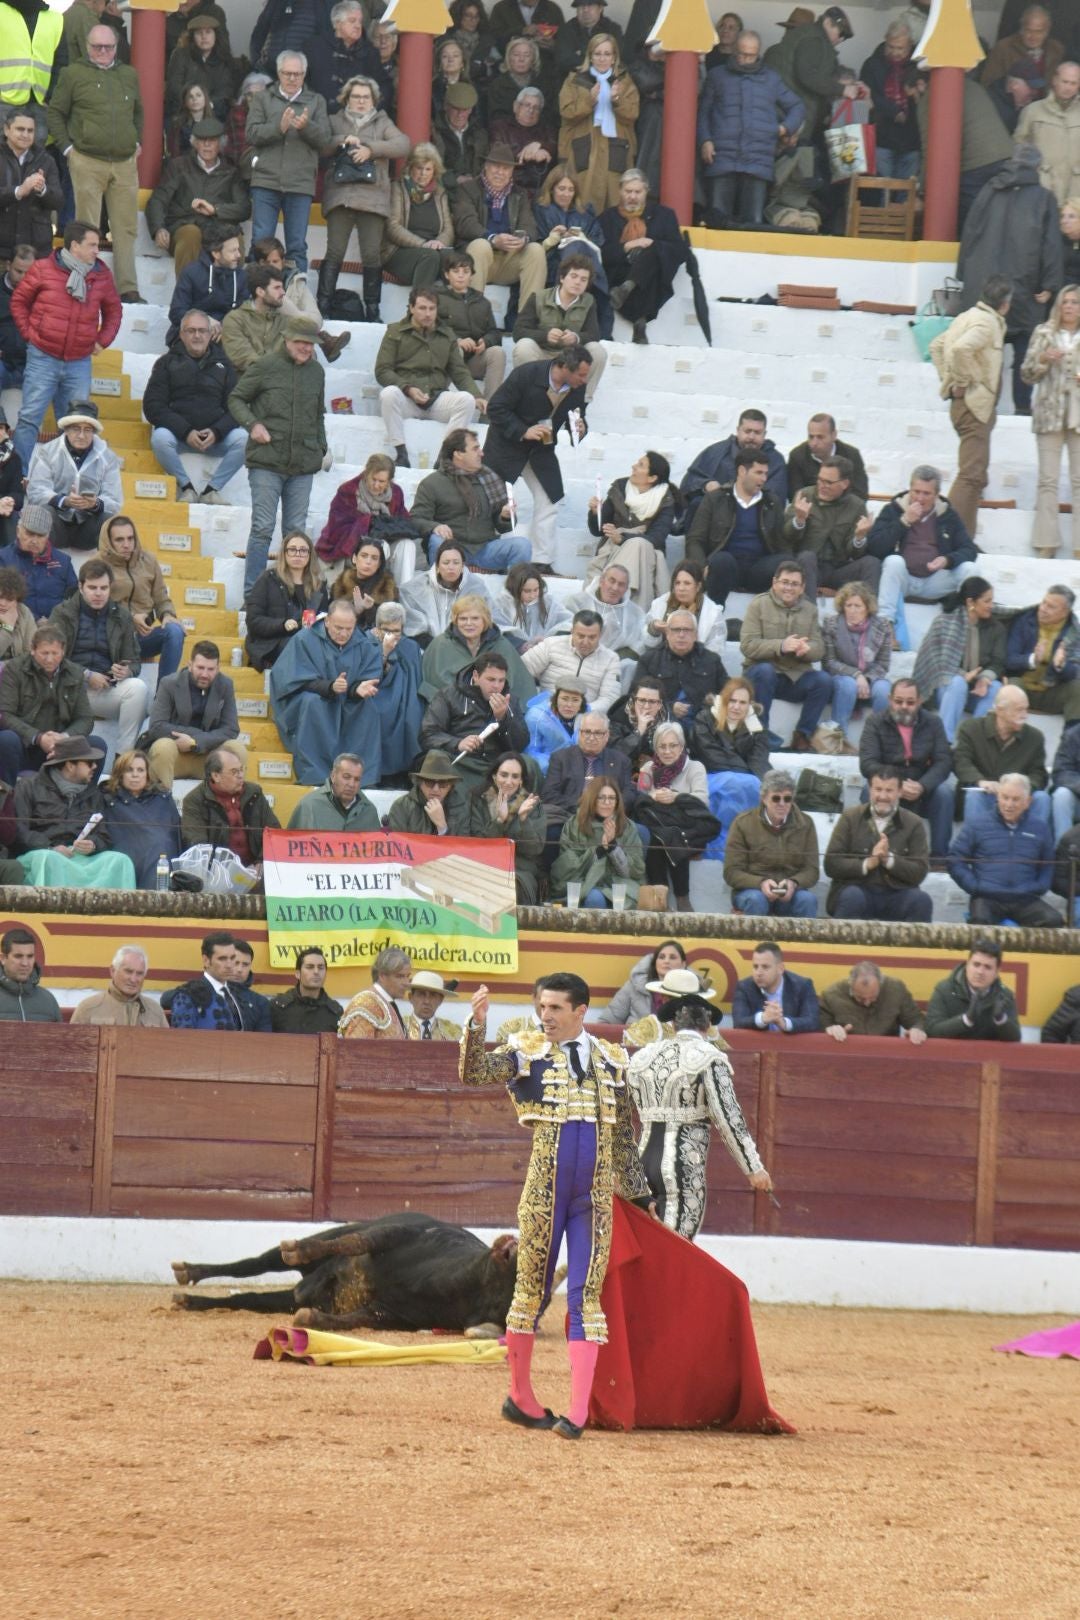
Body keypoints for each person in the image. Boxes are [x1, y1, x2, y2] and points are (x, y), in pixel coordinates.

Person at [461, 970, 652, 1438]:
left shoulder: (611, 1058)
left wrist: (638, 1193)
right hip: (545, 1190)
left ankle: (579, 1411)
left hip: (593, 1198)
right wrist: (476, 1026)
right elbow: (473, 1073)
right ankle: (521, 1398)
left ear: (580, 1012)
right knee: (529, 1291)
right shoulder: (526, 1050)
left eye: (555, 1008)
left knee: (586, 1296)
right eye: (540, 1007)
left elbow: (622, 1134)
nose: (544, 1016)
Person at [629, 971, 771, 1238]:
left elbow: (621, 1114)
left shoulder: (643, 1056)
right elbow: (729, 1118)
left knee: (645, 1247)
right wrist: (753, 1168)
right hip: (683, 1166)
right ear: (707, 1026)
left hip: (641, 1161)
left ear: (672, 1022)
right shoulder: (709, 1057)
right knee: (677, 1252)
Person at [955, 145, 1063, 414]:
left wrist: (963, 276)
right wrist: (1050, 285)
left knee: (986, 349)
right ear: (1037, 168)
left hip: (984, 286)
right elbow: (1051, 244)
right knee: (1024, 347)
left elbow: (970, 233)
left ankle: (983, 406)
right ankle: (1022, 408)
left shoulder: (989, 190)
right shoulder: (1044, 198)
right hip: (1023, 286)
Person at [9, 222, 121, 475]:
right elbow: (18, 302)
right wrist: (30, 334)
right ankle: (19, 477)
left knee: (75, 425)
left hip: (79, 361)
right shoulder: (42, 269)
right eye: (92, 245)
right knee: (28, 420)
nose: (97, 250)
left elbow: (114, 310)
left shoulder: (102, 275)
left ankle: (65, 479)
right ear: (74, 246)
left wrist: (103, 340)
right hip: (42, 356)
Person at [230, 316, 327, 596]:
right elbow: (236, 399)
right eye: (300, 342)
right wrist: (253, 425)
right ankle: (252, 596)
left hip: (304, 464)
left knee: (296, 532)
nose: (306, 348)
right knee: (262, 527)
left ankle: (293, 594)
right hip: (266, 462)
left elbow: (318, 414)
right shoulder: (264, 366)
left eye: (310, 344)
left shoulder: (317, 372)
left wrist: (321, 447)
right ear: (286, 339)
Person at [48, 26, 144, 304]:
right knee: (86, 227)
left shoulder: (128, 74)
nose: (103, 52)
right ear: (87, 46)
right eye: (97, 47)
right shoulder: (73, 74)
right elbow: (55, 112)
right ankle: (84, 284)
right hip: (87, 159)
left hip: (125, 162)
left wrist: (136, 141)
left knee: (126, 228)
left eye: (109, 47)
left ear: (117, 47)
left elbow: (138, 111)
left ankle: (128, 288)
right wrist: (68, 149)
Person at [319, 74, 408, 323]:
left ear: (374, 100)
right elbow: (320, 145)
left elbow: (403, 144)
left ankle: (373, 310)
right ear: (347, 98)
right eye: (355, 97)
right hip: (341, 195)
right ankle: (322, 306)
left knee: (371, 255)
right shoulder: (334, 120)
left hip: (373, 199)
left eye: (365, 97)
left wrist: (371, 149)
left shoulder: (383, 122)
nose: (360, 101)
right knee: (334, 251)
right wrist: (342, 141)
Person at [928, 274, 1012, 538]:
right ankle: (946, 535)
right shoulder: (987, 324)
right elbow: (960, 350)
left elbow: (937, 345)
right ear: (1005, 304)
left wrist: (949, 381)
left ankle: (964, 539)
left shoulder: (967, 316)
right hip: (974, 407)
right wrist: (966, 380)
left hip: (966, 405)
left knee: (975, 478)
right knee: (971, 475)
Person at [269, 598, 384, 786]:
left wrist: (357, 689)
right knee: (312, 703)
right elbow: (291, 679)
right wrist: (329, 687)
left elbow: (366, 676)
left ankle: (359, 777)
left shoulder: (364, 643)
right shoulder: (304, 639)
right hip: (312, 697)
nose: (344, 634)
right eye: (338, 628)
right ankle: (316, 774)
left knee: (368, 708)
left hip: (347, 701)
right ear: (327, 621)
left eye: (349, 629)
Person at [698, 29, 804, 227]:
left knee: (752, 226)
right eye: (742, 54)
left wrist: (784, 129)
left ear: (758, 53)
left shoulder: (772, 79)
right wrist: (705, 140)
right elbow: (703, 113)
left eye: (751, 55)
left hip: (758, 160)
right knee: (717, 222)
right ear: (734, 51)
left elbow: (797, 106)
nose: (746, 59)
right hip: (722, 158)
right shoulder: (717, 76)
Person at [47, 556, 148, 761]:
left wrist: (126, 670)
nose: (98, 593)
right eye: (92, 587)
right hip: (66, 688)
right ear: (81, 586)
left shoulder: (122, 616)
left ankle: (123, 759)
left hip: (104, 689)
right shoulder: (62, 613)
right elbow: (50, 658)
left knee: (138, 688)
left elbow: (134, 660)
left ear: (110, 588)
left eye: (103, 588)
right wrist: (85, 674)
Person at [143, 310, 247, 508]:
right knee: (160, 438)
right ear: (181, 334)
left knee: (243, 440)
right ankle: (187, 487)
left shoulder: (225, 365)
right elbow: (153, 406)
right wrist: (185, 431)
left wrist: (216, 432)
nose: (197, 336)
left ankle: (211, 490)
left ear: (210, 334)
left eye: (202, 331)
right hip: (178, 436)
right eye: (191, 331)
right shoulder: (166, 363)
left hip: (215, 439)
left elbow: (236, 406)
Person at [244, 50, 332, 275]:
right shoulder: (263, 98)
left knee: (296, 246)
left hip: (300, 183)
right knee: (260, 242)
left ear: (304, 75)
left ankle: (297, 297)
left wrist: (306, 127)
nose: (292, 79)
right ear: (278, 73)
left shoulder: (316, 101)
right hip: (265, 180)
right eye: (287, 73)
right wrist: (278, 128)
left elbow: (325, 140)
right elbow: (251, 134)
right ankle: (257, 294)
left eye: (298, 74)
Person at [868, 465, 980, 641]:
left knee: (970, 569)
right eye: (916, 491)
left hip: (934, 580)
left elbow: (969, 549)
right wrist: (904, 521)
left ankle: (964, 627)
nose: (920, 498)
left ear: (936, 495)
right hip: (903, 580)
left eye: (926, 494)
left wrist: (947, 560)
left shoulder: (948, 515)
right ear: (910, 489)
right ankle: (885, 626)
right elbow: (874, 547)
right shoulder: (893, 510)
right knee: (893, 561)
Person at [375, 286, 480, 469]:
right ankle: (401, 454)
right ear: (411, 308)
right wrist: (407, 388)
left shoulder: (446, 335)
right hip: (407, 398)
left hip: (436, 397)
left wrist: (476, 394)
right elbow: (382, 370)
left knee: (467, 400)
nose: (427, 313)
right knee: (388, 394)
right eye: (422, 308)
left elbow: (459, 371)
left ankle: (444, 459)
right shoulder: (395, 332)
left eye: (432, 308)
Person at [14, 736, 135, 889]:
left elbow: (104, 836)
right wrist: (50, 847)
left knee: (121, 861)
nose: (95, 767)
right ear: (70, 766)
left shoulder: (94, 794)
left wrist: (93, 844)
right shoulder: (28, 787)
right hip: (41, 852)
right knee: (49, 859)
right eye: (89, 763)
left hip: (80, 856)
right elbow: (19, 831)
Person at [948, 771, 1061, 926]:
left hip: (1025, 898)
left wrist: (1038, 887)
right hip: (987, 897)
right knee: (980, 924)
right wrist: (975, 886)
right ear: (997, 797)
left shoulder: (1040, 828)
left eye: (1016, 799)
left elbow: (1048, 864)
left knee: (1053, 922)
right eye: (1005, 797)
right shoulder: (977, 824)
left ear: (1027, 802)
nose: (1009, 805)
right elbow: (955, 859)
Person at [0, 624, 108, 786]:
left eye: (54, 653)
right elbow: (6, 715)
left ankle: (84, 803)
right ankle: (6, 799)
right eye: (44, 653)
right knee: (6, 740)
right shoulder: (14, 670)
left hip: (63, 750)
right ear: (33, 650)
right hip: (26, 746)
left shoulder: (74, 673)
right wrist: (38, 737)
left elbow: (85, 719)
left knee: (97, 745)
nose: (49, 659)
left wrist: (64, 738)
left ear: (63, 652)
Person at [739, 560, 831, 751]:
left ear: (802, 587)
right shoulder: (758, 604)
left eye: (794, 584)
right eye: (785, 582)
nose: (789, 587)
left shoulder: (810, 610)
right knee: (764, 672)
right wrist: (781, 646)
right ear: (775, 582)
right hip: (761, 676)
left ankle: (803, 735)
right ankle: (760, 734)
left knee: (823, 681)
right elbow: (748, 646)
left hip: (795, 677)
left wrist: (807, 650)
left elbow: (819, 647)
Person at [859, 677, 954, 857]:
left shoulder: (934, 722)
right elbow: (868, 763)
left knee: (944, 793)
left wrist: (923, 786)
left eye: (910, 702)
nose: (904, 706)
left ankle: (939, 857)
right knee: (868, 791)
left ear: (919, 701)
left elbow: (944, 761)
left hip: (922, 789)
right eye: (898, 701)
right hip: (889, 786)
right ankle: (871, 851)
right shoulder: (875, 722)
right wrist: (898, 786)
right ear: (889, 700)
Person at [824, 767, 932, 921]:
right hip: (857, 890)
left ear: (900, 792)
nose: (882, 796)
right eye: (878, 789)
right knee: (852, 897)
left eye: (889, 791)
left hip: (897, 894)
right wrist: (868, 863)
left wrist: (889, 859)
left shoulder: (914, 823)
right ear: (870, 789)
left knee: (921, 901)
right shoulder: (850, 817)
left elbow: (920, 871)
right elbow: (831, 864)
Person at [1020, 282, 1080, 555]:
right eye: (1065, 302)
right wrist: (1043, 358)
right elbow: (1027, 374)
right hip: (1049, 413)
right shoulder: (1043, 332)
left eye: (1075, 302)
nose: (1069, 306)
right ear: (1058, 306)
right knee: (1048, 480)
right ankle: (1047, 542)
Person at [451, 141, 548, 310]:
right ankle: (472, 315)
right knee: (481, 245)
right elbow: (465, 223)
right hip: (476, 262)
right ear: (486, 167)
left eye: (506, 169)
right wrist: (492, 238)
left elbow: (529, 225)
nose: (500, 172)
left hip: (507, 262)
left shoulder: (519, 194)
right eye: (496, 167)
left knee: (536, 250)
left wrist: (522, 238)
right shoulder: (468, 189)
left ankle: (527, 320)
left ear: (512, 172)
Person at [687, 448, 787, 611]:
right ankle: (714, 615)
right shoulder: (715, 499)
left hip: (758, 568)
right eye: (759, 472)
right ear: (742, 471)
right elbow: (695, 539)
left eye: (765, 473)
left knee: (785, 563)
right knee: (721, 560)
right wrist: (701, 566)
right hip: (727, 566)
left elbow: (782, 543)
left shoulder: (771, 501)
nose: (763, 478)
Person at [911, 575, 1005, 744]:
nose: (991, 606)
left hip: (977, 691)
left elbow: (998, 662)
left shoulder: (996, 628)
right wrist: (963, 675)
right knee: (957, 683)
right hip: (946, 689)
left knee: (996, 687)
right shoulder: (944, 623)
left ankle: (974, 740)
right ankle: (944, 741)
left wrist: (984, 679)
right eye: (987, 601)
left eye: (992, 601)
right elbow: (937, 664)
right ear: (971, 602)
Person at [420, 648, 529, 792]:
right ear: (476, 676)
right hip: (460, 760)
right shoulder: (449, 695)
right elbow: (427, 734)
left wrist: (503, 719)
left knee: (529, 763)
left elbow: (520, 745)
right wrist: (458, 743)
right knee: (436, 758)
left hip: (496, 764)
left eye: (501, 680)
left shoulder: (509, 701)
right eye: (491, 680)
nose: (497, 686)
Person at [596, 168, 683, 345]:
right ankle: (639, 319)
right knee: (644, 259)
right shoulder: (607, 218)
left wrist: (652, 245)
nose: (633, 197)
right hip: (619, 274)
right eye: (628, 191)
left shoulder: (664, 216)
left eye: (638, 192)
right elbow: (601, 253)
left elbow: (680, 250)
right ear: (620, 191)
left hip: (650, 279)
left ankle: (628, 288)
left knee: (653, 250)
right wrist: (628, 246)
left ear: (646, 192)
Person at [558, 32, 639, 214]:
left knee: (615, 205)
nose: (602, 58)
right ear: (590, 56)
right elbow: (566, 112)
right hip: (582, 148)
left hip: (616, 149)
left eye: (607, 54)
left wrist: (617, 99)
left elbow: (633, 114)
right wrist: (590, 100)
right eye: (597, 53)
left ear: (614, 58)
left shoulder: (624, 82)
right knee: (581, 203)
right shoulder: (574, 79)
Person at [25, 399, 120, 554]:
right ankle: (38, 566)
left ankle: (108, 572)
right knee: (42, 512)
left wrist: (94, 504)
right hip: (56, 523)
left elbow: (115, 501)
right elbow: (36, 490)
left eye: (88, 430)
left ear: (94, 432)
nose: (81, 435)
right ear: (66, 430)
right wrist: (64, 500)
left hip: (88, 526)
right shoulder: (47, 451)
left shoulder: (108, 457)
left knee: (111, 522)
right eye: (76, 429)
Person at [144, 640, 241, 791]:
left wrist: (196, 741)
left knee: (236, 749)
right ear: (190, 665)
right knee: (162, 746)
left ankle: (230, 807)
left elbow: (231, 729)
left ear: (218, 669)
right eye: (200, 668)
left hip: (208, 758)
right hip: (174, 756)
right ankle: (161, 801)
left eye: (210, 669)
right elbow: (157, 726)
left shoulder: (225, 685)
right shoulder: (169, 683)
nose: (205, 674)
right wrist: (191, 737)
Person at [636, 720, 712, 912]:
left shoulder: (695, 767)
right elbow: (640, 800)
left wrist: (676, 797)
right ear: (655, 748)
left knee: (672, 835)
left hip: (688, 825)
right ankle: (668, 898)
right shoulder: (647, 769)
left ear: (682, 746)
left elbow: (703, 800)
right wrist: (652, 796)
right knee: (659, 836)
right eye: (662, 746)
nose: (667, 751)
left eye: (673, 745)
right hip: (659, 825)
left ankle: (676, 897)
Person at [724, 768, 820, 917]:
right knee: (756, 900)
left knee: (808, 900)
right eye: (776, 798)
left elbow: (812, 870)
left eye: (787, 799)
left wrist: (793, 883)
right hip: (752, 890)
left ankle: (803, 941)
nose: (782, 804)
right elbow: (731, 872)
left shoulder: (806, 824)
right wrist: (760, 882)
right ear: (764, 799)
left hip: (790, 892)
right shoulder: (743, 823)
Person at [587, 451, 678, 604]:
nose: (633, 466)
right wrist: (596, 513)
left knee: (639, 544)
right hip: (613, 551)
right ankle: (625, 593)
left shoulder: (666, 500)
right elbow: (597, 531)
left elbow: (656, 538)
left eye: (640, 465)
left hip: (646, 557)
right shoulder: (620, 488)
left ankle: (617, 591)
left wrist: (622, 537)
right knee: (636, 544)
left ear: (652, 478)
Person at [783, 456, 878, 602]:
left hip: (837, 569)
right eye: (820, 480)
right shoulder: (804, 495)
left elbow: (855, 553)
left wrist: (859, 537)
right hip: (808, 566)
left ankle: (868, 618)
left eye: (828, 482)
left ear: (844, 484)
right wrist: (799, 520)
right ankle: (808, 615)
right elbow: (786, 535)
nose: (822, 485)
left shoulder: (856, 505)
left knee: (871, 563)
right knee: (806, 557)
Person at [954, 684, 1051, 825]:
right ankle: (975, 844)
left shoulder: (1035, 737)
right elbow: (960, 762)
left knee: (1042, 798)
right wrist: (981, 781)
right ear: (1000, 710)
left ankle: (1032, 845)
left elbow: (1039, 774)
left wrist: (1021, 788)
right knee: (975, 796)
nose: (1025, 715)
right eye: (1019, 710)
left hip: (1017, 798)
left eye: (1026, 709)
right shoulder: (971, 729)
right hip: (983, 793)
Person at [512, 254, 606, 399]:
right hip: (542, 353)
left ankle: (581, 400)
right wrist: (545, 335)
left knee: (597, 350)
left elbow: (594, 335)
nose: (578, 282)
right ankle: (529, 396)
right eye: (573, 276)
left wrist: (576, 338)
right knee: (524, 346)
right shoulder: (538, 297)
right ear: (562, 278)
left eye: (583, 279)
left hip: (571, 358)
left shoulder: (589, 301)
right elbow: (518, 331)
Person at [420, 592, 534, 706]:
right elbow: (432, 688)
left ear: (485, 620)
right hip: (451, 713)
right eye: (463, 619)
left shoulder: (501, 645)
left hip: (495, 711)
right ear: (456, 621)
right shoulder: (440, 645)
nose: (469, 623)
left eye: (475, 618)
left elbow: (519, 687)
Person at [681, 409, 788, 530]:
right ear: (738, 430)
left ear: (764, 434)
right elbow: (690, 481)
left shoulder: (775, 460)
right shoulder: (716, 452)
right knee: (697, 503)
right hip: (715, 517)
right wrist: (706, 484)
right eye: (747, 431)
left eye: (757, 432)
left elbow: (776, 497)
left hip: (755, 519)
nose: (751, 437)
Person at [179, 746, 280, 869]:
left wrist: (262, 862)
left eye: (241, 770)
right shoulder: (195, 801)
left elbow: (274, 831)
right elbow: (197, 846)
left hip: (256, 870)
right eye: (234, 772)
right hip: (217, 873)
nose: (240, 776)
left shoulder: (254, 792)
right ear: (216, 776)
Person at [541, 710, 637, 840]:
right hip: (570, 815)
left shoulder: (621, 761)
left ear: (607, 735)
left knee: (642, 832)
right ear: (579, 733)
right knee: (551, 831)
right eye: (587, 732)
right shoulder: (561, 758)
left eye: (598, 733)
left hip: (608, 817)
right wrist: (585, 807)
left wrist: (608, 808)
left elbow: (629, 793)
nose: (591, 737)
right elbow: (549, 793)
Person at [551, 775, 644, 908]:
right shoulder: (574, 825)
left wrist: (613, 847)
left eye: (612, 798)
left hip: (617, 886)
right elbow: (565, 868)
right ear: (592, 799)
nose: (607, 803)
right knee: (595, 898)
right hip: (583, 884)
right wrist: (598, 852)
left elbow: (633, 871)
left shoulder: (627, 826)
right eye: (601, 797)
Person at [244, 530, 328, 672]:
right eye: (292, 550)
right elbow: (253, 620)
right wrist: (282, 625)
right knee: (297, 646)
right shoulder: (268, 579)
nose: (297, 554)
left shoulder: (318, 586)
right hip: (270, 644)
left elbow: (324, 618)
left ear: (310, 555)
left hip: (307, 642)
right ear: (284, 553)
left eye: (303, 550)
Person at [822, 581, 892, 749]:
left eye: (858, 606)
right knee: (847, 685)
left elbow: (883, 664)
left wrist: (866, 678)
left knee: (884, 690)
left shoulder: (881, 626)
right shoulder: (831, 624)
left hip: (872, 676)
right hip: (841, 676)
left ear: (867, 608)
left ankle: (878, 741)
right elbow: (829, 662)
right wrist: (856, 675)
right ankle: (838, 740)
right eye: (849, 605)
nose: (852, 610)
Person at [469, 750, 545, 901]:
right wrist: (499, 821)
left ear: (521, 780)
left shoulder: (532, 804)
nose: (509, 782)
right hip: (484, 867)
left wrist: (523, 820)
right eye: (504, 775)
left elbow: (535, 849)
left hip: (520, 871)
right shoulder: (478, 800)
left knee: (509, 886)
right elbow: (477, 845)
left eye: (515, 776)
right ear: (494, 776)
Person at [101, 747, 181, 890]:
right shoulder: (107, 799)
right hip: (126, 858)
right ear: (120, 774)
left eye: (140, 770)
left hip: (161, 860)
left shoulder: (163, 798)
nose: (135, 775)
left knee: (161, 845)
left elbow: (176, 834)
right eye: (129, 770)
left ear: (147, 774)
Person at [633, 609, 728, 725]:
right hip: (660, 725)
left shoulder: (712, 660)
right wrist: (668, 708)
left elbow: (729, 693)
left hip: (704, 726)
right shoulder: (649, 660)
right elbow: (635, 699)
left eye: (687, 630)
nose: (681, 635)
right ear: (667, 633)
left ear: (695, 635)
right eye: (676, 630)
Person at [1004, 583, 1080, 724]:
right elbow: (1009, 661)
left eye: (1051, 607)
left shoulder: (1074, 632)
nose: (1043, 609)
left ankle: (1072, 741)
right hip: (1023, 688)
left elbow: (1075, 672)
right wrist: (1033, 659)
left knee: (1077, 689)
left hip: (1051, 692)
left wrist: (1060, 665)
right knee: (1013, 684)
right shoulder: (1024, 621)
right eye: (1044, 602)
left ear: (1065, 612)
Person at [436, 250, 507, 402]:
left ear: (471, 275)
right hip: (445, 359)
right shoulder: (437, 298)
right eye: (456, 271)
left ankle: (489, 410)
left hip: (473, 360)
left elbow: (494, 332)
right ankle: (437, 398)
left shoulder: (482, 301)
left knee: (497, 352)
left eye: (466, 271)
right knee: (457, 350)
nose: (461, 275)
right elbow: (431, 327)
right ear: (447, 275)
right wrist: (456, 340)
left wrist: (486, 341)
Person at [924, 939, 1022, 1040]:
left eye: (987, 967)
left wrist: (1001, 1019)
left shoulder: (1004, 995)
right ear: (967, 965)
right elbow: (931, 1030)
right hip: (951, 1054)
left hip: (989, 1055)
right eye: (976, 965)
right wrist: (966, 1020)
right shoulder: (944, 989)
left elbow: (1015, 1039)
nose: (980, 972)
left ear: (997, 972)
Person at [399, 539, 492, 645]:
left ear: (462, 567)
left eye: (456, 563)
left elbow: (488, 619)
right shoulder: (418, 586)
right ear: (437, 567)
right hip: (426, 645)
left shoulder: (476, 586)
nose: (451, 567)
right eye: (446, 563)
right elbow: (412, 624)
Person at [523, 609, 621, 709]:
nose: (585, 642)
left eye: (592, 637)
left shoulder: (611, 659)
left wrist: (583, 710)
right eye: (581, 636)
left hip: (585, 716)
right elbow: (520, 672)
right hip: (547, 710)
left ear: (600, 635)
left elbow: (609, 699)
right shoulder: (551, 645)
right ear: (572, 631)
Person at [0, 106, 62, 263]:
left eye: (30, 130)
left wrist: (43, 190)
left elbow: (59, 201)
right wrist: (18, 191)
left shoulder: (46, 160)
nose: (26, 135)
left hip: (36, 251)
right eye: (20, 129)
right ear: (6, 130)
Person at [858, 21, 919, 181]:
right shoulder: (872, 64)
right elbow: (866, 95)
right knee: (882, 191)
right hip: (882, 138)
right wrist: (893, 111)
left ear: (910, 46)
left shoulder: (920, 67)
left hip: (912, 139)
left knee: (906, 195)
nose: (895, 52)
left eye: (900, 48)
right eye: (891, 47)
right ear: (885, 41)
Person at [1015, 59, 1080, 204]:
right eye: (1064, 81)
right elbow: (1019, 149)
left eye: (1073, 83)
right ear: (1055, 80)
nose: (1068, 87)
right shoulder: (1033, 111)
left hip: (1076, 192)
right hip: (1042, 186)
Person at [0, 505, 76, 625]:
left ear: (48, 536)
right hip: (16, 627)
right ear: (18, 531)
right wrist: (34, 620)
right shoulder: (3, 559)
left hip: (57, 628)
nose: (34, 541)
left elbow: (74, 599)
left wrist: (55, 620)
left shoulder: (63, 561)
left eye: (40, 535)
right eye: (29, 533)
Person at [306, 0, 385, 113]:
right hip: (319, 117)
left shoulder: (371, 53)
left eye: (360, 21)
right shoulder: (313, 47)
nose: (358, 26)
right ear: (337, 23)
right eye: (352, 21)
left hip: (355, 121)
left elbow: (383, 87)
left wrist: (371, 110)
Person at [819, 961, 927, 1042]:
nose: (867, 1003)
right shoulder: (831, 995)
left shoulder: (896, 989)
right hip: (847, 1052)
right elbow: (820, 1027)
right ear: (850, 985)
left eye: (873, 997)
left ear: (881, 984)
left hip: (886, 1053)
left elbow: (917, 1020)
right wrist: (831, 1029)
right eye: (860, 998)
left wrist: (917, 1030)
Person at [165, 13, 239, 124]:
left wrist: (206, 106)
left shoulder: (223, 58)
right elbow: (175, 87)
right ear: (192, 37)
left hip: (213, 113)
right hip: (183, 113)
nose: (204, 37)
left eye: (208, 32)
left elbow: (225, 91)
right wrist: (192, 103)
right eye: (199, 33)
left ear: (215, 35)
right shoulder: (180, 55)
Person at [170, 933, 253, 1030]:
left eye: (232, 958)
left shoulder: (236, 992)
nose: (230, 965)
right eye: (222, 959)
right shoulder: (188, 995)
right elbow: (182, 1039)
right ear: (206, 961)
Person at [732, 940, 820, 1032]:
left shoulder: (802, 986)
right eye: (755, 966)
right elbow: (738, 1023)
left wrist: (784, 1023)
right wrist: (762, 1019)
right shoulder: (744, 987)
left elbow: (813, 1022)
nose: (758, 972)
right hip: (759, 1045)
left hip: (792, 1045)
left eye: (765, 967)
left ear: (780, 969)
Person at [70, 945, 168, 1027]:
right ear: (113, 971)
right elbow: (73, 1047)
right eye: (128, 972)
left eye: (139, 973)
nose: (133, 979)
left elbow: (168, 1048)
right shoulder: (88, 1008)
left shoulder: (155, 1011)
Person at [490, 85, 558, 200]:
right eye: (527, 105)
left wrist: (541, 146)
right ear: (516, 106)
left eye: (536, 107)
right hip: (509, 189)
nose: (531, 110)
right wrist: (529, 153)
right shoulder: (500, 127)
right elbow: (499, 153)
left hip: (541, 190)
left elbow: (555, 146)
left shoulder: (547, 129)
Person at [287, 751, 381, 832]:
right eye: (346, 777)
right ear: (333, 776)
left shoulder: (369, 811)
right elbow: (290, 846)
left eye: (357, 779)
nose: (351, 784)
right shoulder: (309, 805)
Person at [786, 412, 869, 502]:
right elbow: (796, 495)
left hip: (844, 512)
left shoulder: (852, 455)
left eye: (820, 437)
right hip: (810, 512)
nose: (814, 443)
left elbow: (860, 493)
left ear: (834, 435)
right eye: (811, 437)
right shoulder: (797, 456)